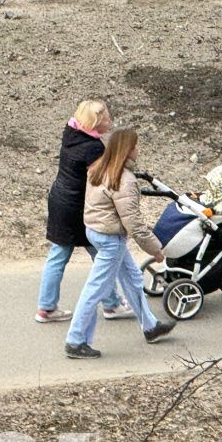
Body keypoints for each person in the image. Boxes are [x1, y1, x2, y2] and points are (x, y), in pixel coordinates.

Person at [65, 128, 176, 358]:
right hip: (111, 240)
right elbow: (134, 223)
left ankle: (150, 326)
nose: (138, 149)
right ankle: (75, 341)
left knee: (134, 278)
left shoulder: (99, 169)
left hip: (96, 232)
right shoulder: (124, 180)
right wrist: (155, 249)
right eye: (135, 146)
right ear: (127, 150)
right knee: (96, 289)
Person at [35, 100, 133, 324]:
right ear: (96, 122)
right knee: (102, 255)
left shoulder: (71, 133)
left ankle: (46, 307)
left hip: (60, 200)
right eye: (107, 119)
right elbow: (100, 180)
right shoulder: (93, 148)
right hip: (78, 207)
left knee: (59, 255)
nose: (111, 122)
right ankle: (112, 304)